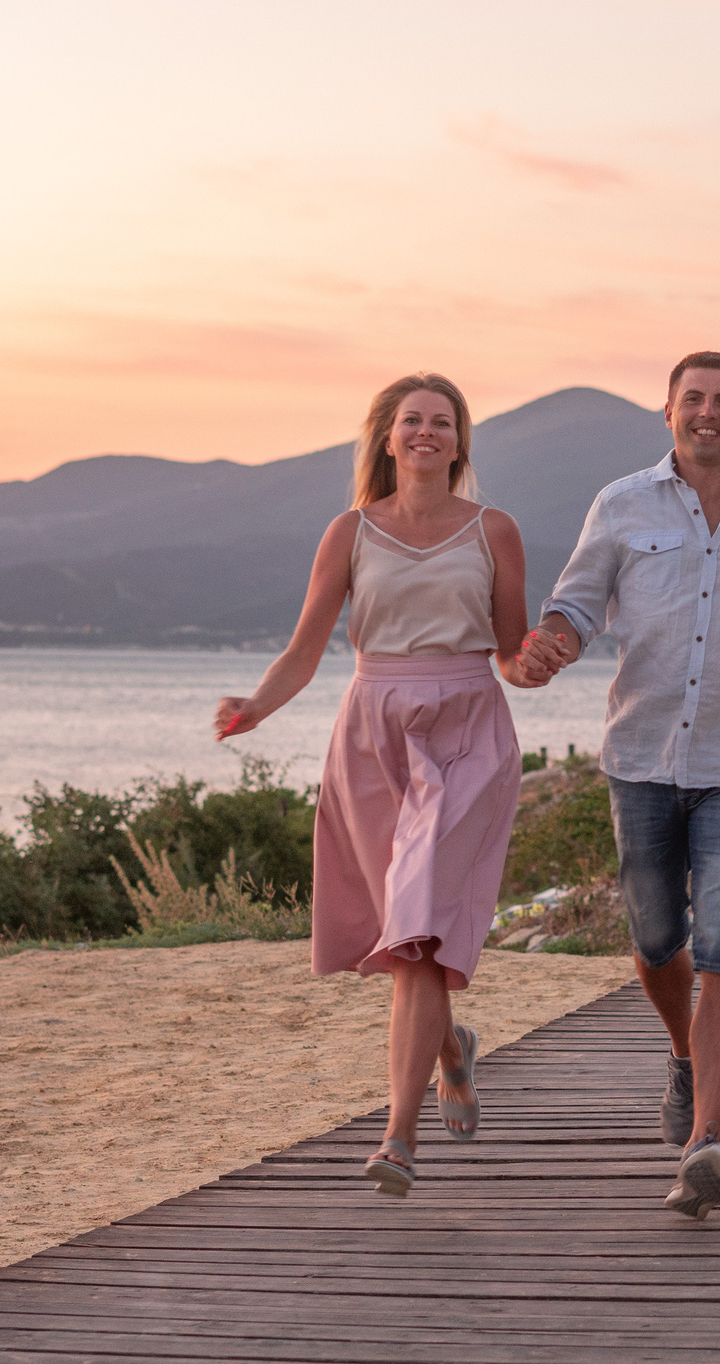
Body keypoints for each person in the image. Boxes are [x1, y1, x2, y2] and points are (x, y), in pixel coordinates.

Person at [509, 352, 720, 1219]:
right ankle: (684, 1052)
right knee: (659, 942)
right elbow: (577, 604)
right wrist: (548, 643)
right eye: (692, 399)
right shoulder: (620, 503)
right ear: (667, 411)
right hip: (642, 758)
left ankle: (705, 1142)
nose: (707, 412)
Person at [214, 373, 533, 1197]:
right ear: (387, 438)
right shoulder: (349, 531)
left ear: (460, 442)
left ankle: (398, 1136)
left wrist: (536, 659)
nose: (426, 433)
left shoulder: (494, 529)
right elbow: (306, 648)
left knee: (421, 922)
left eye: (442, 422)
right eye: (411, 421)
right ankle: (452, 1051)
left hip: (467, 730)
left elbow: (510, 651)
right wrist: (256, 704)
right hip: (373, 735)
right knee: (406, 939)